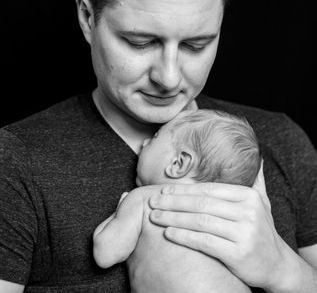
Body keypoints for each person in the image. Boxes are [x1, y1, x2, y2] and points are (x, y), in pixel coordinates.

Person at [0, 0, 317, 292]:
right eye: (140, 42)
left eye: (195, 45)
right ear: (88, 18)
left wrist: (283, 270)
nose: (168, 77)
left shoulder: (282, 143)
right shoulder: (16, 163)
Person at [93, 109, 261, 293]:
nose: (144, 143)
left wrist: (121, 210)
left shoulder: (145, 199)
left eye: (155, 138)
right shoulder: (228, 215)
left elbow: (105, 254)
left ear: (178, 164)